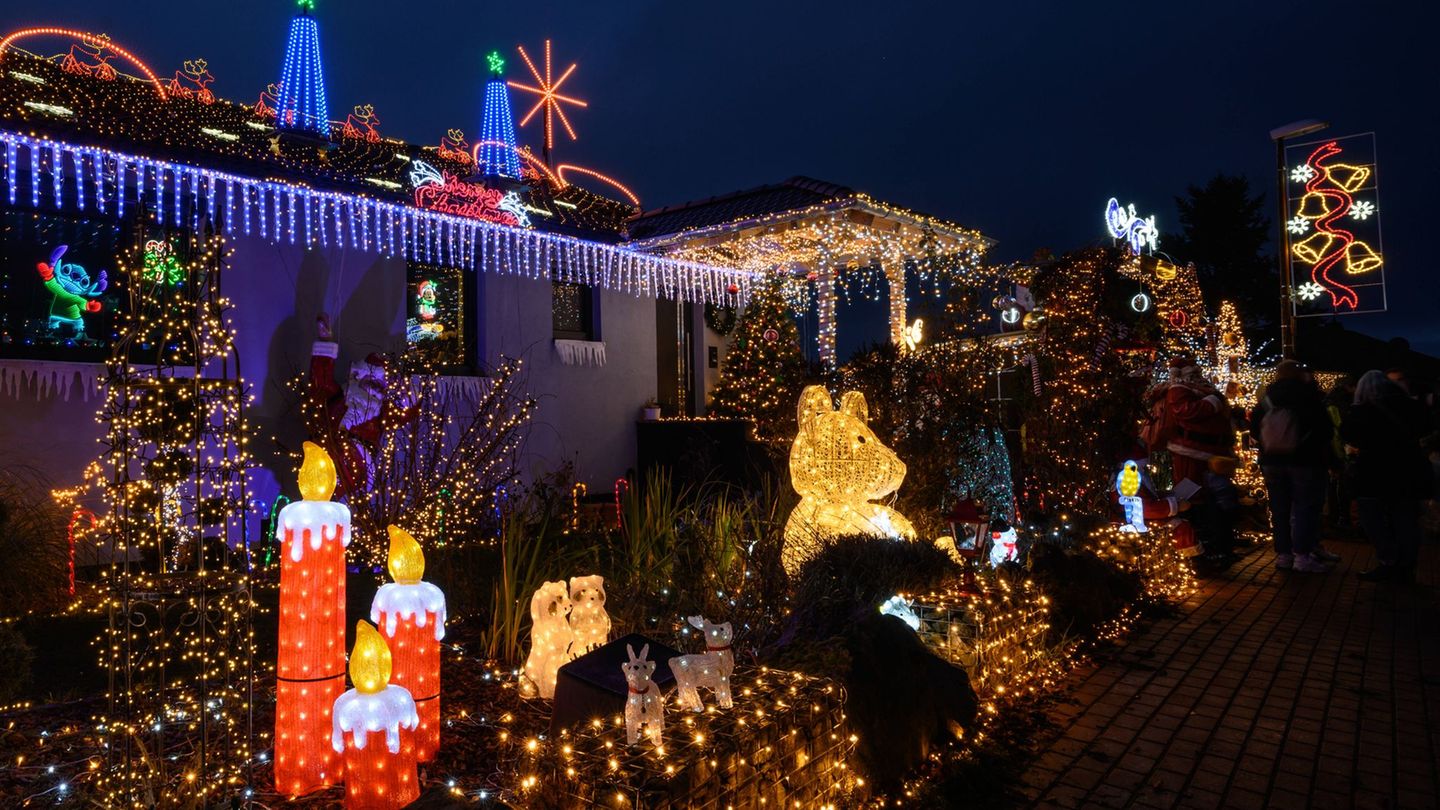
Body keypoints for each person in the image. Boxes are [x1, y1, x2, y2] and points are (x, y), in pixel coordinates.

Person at [1341, 370, 1434, 582]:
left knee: (1373, 517)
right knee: (1405, 517)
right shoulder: (1411, 407)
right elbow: (1427, 425)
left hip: (1374, 471)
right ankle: (1407, 564)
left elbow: (1348, 433)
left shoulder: (1362, 411)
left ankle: (1388, 560)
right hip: (1408, 469)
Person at [1250, 361, 1335, 572]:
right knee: (1305, 507)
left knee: (1279, 509)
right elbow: (1325, 430)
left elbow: (1254, 429)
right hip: (1305, 461)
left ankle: (1284, 555)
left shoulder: (1267, 399)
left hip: (1272, 461)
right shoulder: (1309, 396)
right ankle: (1302, 556)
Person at [1161, 355, 1240, 568]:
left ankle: (1219, 546)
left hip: (1209, 453)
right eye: (1192, 372)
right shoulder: (1178, 389)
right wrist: (1213, 402)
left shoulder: (1201, 389)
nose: (1197, 375)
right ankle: (1206, 548)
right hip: (1191, 453)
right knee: (1197, 498)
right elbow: (1185, 411)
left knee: (1218, 498)